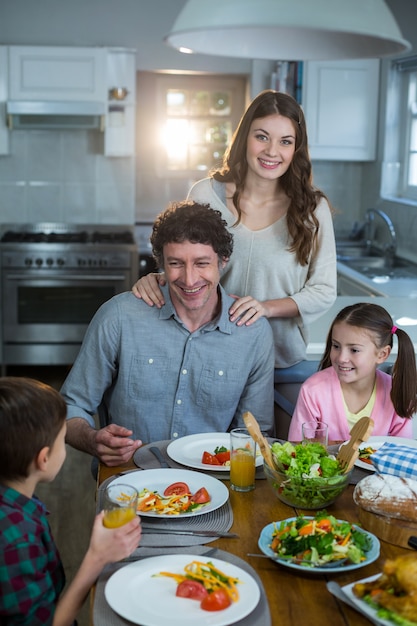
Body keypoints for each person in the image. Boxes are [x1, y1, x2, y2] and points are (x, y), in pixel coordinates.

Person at [132, 90, 337, 371]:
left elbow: (324, 290)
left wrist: (265, 308)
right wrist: (157, 278)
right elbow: (188, 266)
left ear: (296, 149)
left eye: (285, 141)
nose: (271, 151)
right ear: (245, 138)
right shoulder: (205, 193)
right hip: (208, 355)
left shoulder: (313, 209)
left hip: (278, 360)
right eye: (261, 136)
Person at [61, 201, 275, 467]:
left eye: (201, 263)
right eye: (175, 263)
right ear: (161, 263)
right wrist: (93, 439)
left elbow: (254, 433)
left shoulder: (253, 333)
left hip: (212, 488)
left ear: (223, 261)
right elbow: (70, 407)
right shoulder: (119, 316)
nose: (189, 279)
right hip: (129, 483)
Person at [0, 377, 141, 626]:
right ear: (43, 459)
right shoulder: (17, 539)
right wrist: (97, 557)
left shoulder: (19, 504)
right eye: (62, 440)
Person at [288, 302, 417, 442]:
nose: (341, 358)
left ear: (382, 354)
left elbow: (402, 451)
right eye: (336, 346)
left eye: (354, 350)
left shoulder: (397, 392)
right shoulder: (313, 390)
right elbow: (297, 446)